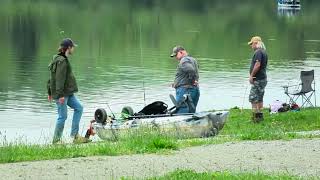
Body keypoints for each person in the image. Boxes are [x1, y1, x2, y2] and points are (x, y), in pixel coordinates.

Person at [47, 38, 90, 144]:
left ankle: (75, 136)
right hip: (62, 94)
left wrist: (49, 92)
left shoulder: (61, 59)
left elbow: (52, 78)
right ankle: (56, 141)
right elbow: (58, 78)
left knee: (79, 108)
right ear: (68, 48)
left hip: (68, 93)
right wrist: (59, 95)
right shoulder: (61, 61)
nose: (73, 49)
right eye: (72, 47)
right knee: (62, 116)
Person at [170, 46, 200, 114]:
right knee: (190, 113)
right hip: (194, 89)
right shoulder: (193, 60)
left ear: (181, 52)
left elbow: (191, 70)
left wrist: (192, 81)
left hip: (185, 91)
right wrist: (176, 83)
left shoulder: (184, 60)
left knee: (182, 113)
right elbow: (191, 73)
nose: (176, 58)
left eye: (176, 55)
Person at [247, 36, 268, 123]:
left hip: (258, 79)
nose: (251, 46)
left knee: (253, 98)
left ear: (256, 43)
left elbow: (257, 65)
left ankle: (255, 118)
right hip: (263, 78)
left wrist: (251, 76)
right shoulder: (264, 52)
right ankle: (259, 117)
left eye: (252, 44)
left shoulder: (258, 52)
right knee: (259, 98)